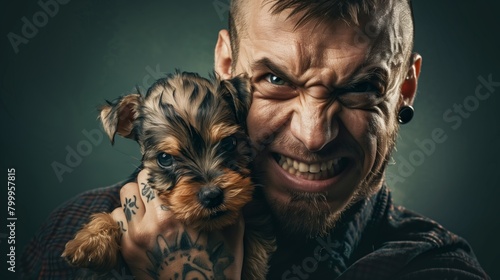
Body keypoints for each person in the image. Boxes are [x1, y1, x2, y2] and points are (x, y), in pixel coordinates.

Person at [21, 0, 490, 279]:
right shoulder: (72, 230)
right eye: (275, 78)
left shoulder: (434, 268)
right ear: (227, 67)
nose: (313, 136)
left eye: (363, 86)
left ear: (404, 88)